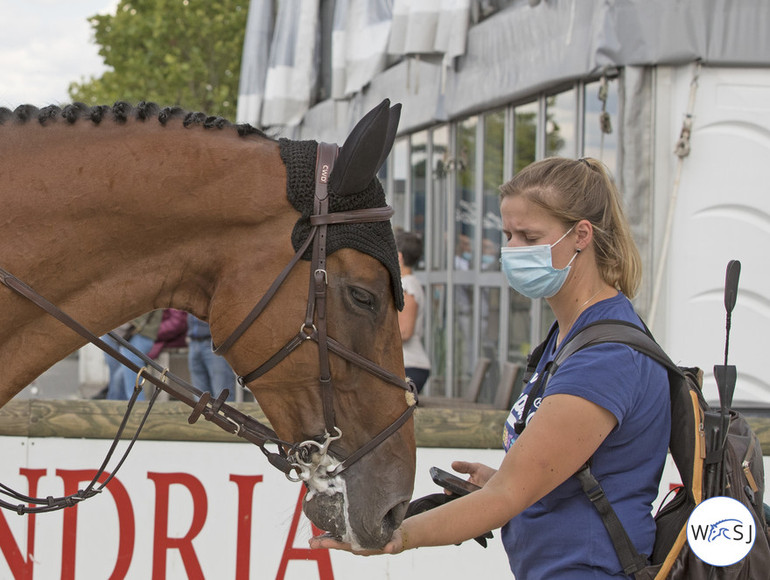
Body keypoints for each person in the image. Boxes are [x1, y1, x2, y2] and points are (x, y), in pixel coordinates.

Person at [311, 157, 671, 579]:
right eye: (507, 234)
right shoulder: (571, 336)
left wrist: (396, 535)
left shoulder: (605, 357)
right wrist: (507, 480)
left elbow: (507, 497)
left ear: (582, 235)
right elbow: (557, 478)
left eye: (530, 236)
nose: (513, 249)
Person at [395, 231, 431, 393]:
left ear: (400, 257)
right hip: (407, 364)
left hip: (410, 365)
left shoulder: (407, 286)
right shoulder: (409, 283)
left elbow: (405, 332)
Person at [108, 310, 163, 401]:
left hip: (140, 334)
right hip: (132, 334)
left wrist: (133, 325)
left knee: (132, 382)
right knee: (119, 378)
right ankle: (119, 406)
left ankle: (136, 409)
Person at [187, 315, 236, 401]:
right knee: (199, 397)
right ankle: (203, 415)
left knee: (222, 396)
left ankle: (223, 415)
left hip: (215, 343)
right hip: (194, 342)